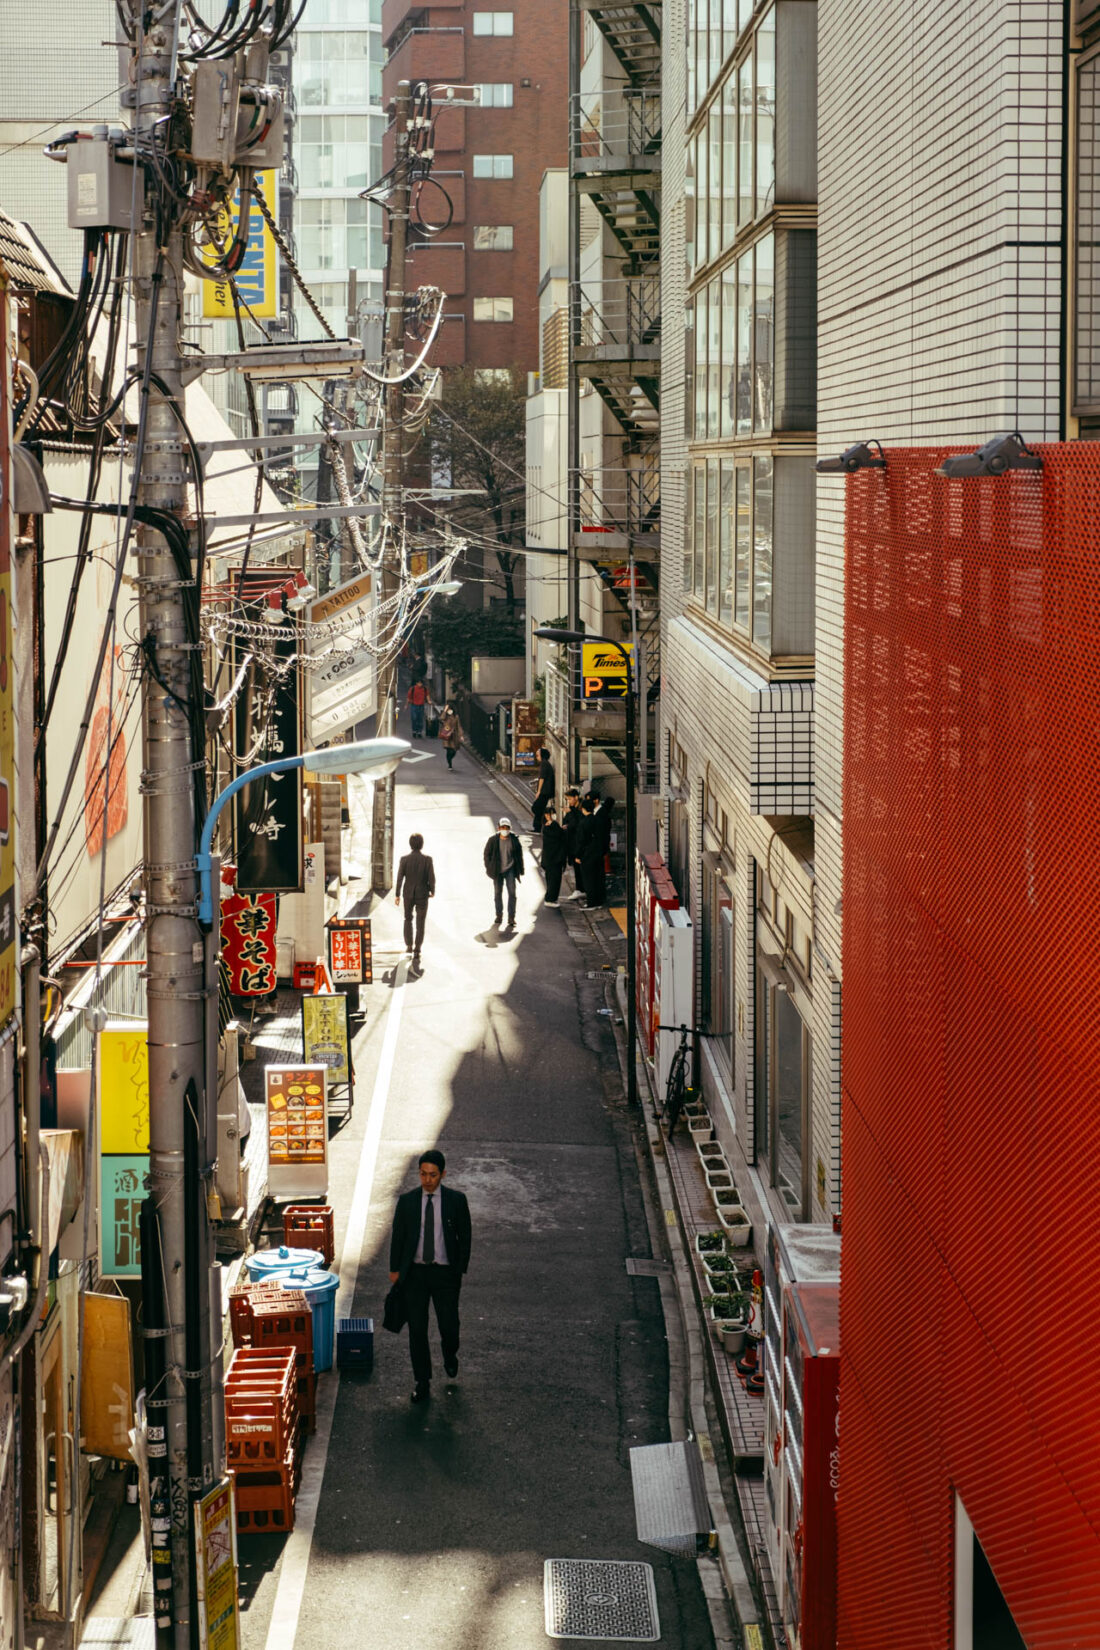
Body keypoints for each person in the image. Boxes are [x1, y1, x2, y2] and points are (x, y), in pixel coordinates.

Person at [389, 1150, 472, 1403]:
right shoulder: (407, 1201)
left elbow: (465, 1237)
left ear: (443, 1174)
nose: (427, 1180)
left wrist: (459, 1270)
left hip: (445, 1274)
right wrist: (395, 1270)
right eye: (423, 1174)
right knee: (417, 1329)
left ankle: (450, 1354)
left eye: (433, 1175)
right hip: (415, 1274)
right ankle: (422, 1381)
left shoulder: (456, 1201)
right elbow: (398, 1237)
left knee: (449, 1324)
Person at [394, 832, 435, 965]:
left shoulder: (404, 859)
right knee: (420, 922)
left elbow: (400, 877)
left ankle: (409, 946)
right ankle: (417, 949)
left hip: (408, 893)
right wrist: (432, 890)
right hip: (422, 894)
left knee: (407, 919)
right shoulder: (427, 859)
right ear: (422, 844)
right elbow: (431, 878)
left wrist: (397, 894)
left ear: (410, 844)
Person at [483, 816, 524, 928]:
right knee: (497, 893)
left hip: (510, 869)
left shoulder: (514, 840)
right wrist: (489, 867)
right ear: (498, 828)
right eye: (502, 827)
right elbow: (486, 854)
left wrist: (520, 869)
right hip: (497, 871)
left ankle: (511, 917)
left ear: (510, 828)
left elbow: (519, 855)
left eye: (506, 827)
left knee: (512, 893)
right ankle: (499, 915)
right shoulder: (493, 840)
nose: (504, 829)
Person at [579, 794, 606, 909]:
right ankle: (599, 901)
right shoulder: (598, 820)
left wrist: (578, 855)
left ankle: (591, 902)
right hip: (598, 853)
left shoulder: (583, 823)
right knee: (598, 877)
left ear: (583, 809)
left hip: (587, 854)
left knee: (588, 879)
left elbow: (581, 841)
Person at [540, 802, 568, 907]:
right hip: (553, 859)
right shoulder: (551, 826)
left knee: (552, 879)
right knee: (554, 879)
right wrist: (563, 831)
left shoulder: (549, 826)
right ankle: (550, 899)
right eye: (549, 814)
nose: (551, 815)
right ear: (546, 815)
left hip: (550, 858)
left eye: (552, 813)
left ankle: (551, 899)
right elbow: (557, 838)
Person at [563, 789, 585, 901]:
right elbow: (567, 821)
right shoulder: (573, 809)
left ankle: (580, 889)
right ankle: (580, 889)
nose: (569, 801)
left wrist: (570, 812)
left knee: (579, 867)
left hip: (578, 843)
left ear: (576, 797)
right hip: (572, 842)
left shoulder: (580, 808)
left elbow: (577, 823)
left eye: (570, 799)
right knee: (576, 867)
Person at [531, 748, 555, 835]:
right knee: (539, 809)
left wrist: (538, 791)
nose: (536, 757)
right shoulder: (545, 764)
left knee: (536, 808)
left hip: (545, 791)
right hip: (546, 791)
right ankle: (539, 826)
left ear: (542, 755)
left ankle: (538, 827)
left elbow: (542, 778)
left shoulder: (544, 764)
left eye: (537, 755)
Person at [439, 703, 463, 769]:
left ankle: (450, 759)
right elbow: (441, 718)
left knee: (454, 751)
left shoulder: (456, 717)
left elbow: (459, 726)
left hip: (454, 736)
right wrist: (445, 710)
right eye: (448, 709)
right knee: (448, 750)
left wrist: (461, 735)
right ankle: (450, 764)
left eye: (449, 709)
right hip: (446, 735)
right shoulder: (446, 716)